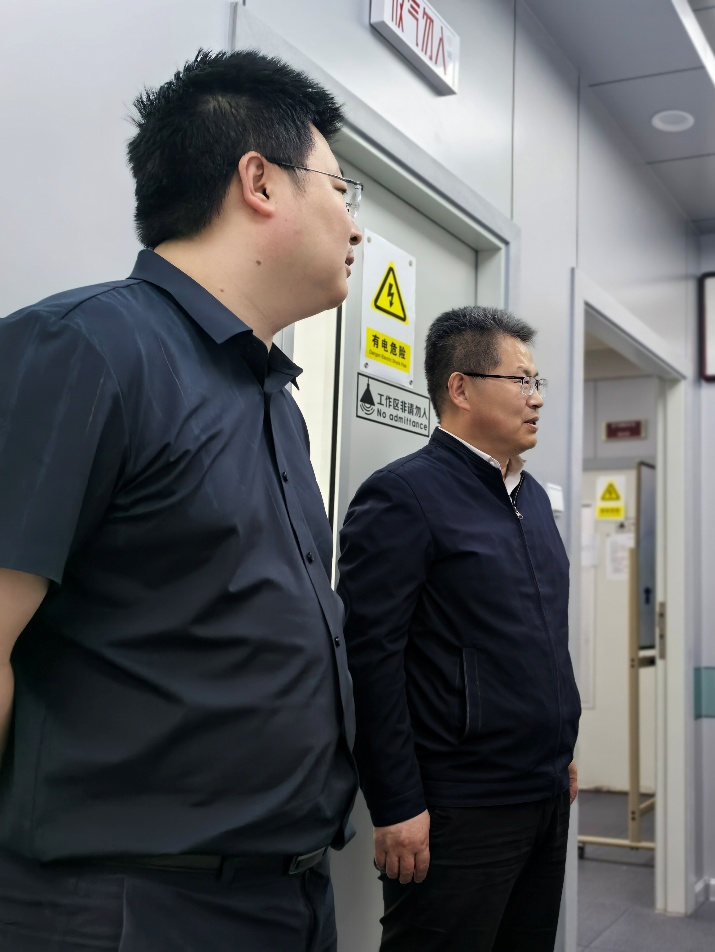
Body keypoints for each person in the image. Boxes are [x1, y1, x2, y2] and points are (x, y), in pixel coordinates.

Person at [0, 50, 364, 951]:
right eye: (340, 189)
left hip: (284, 894)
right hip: (123, 906)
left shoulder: (272, 398)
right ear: (259, 181)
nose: (354, 225)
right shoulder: (84, 348)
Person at [337, 306, 580, 952]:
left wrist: (559, 748)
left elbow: (538, 642)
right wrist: (395, 802)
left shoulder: (531, 498)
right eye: (521, 381)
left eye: (537, 383)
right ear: (461, 388)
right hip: (458, 806)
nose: (536, 398)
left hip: (542, 791)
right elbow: (368, 660)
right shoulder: (404, 495)